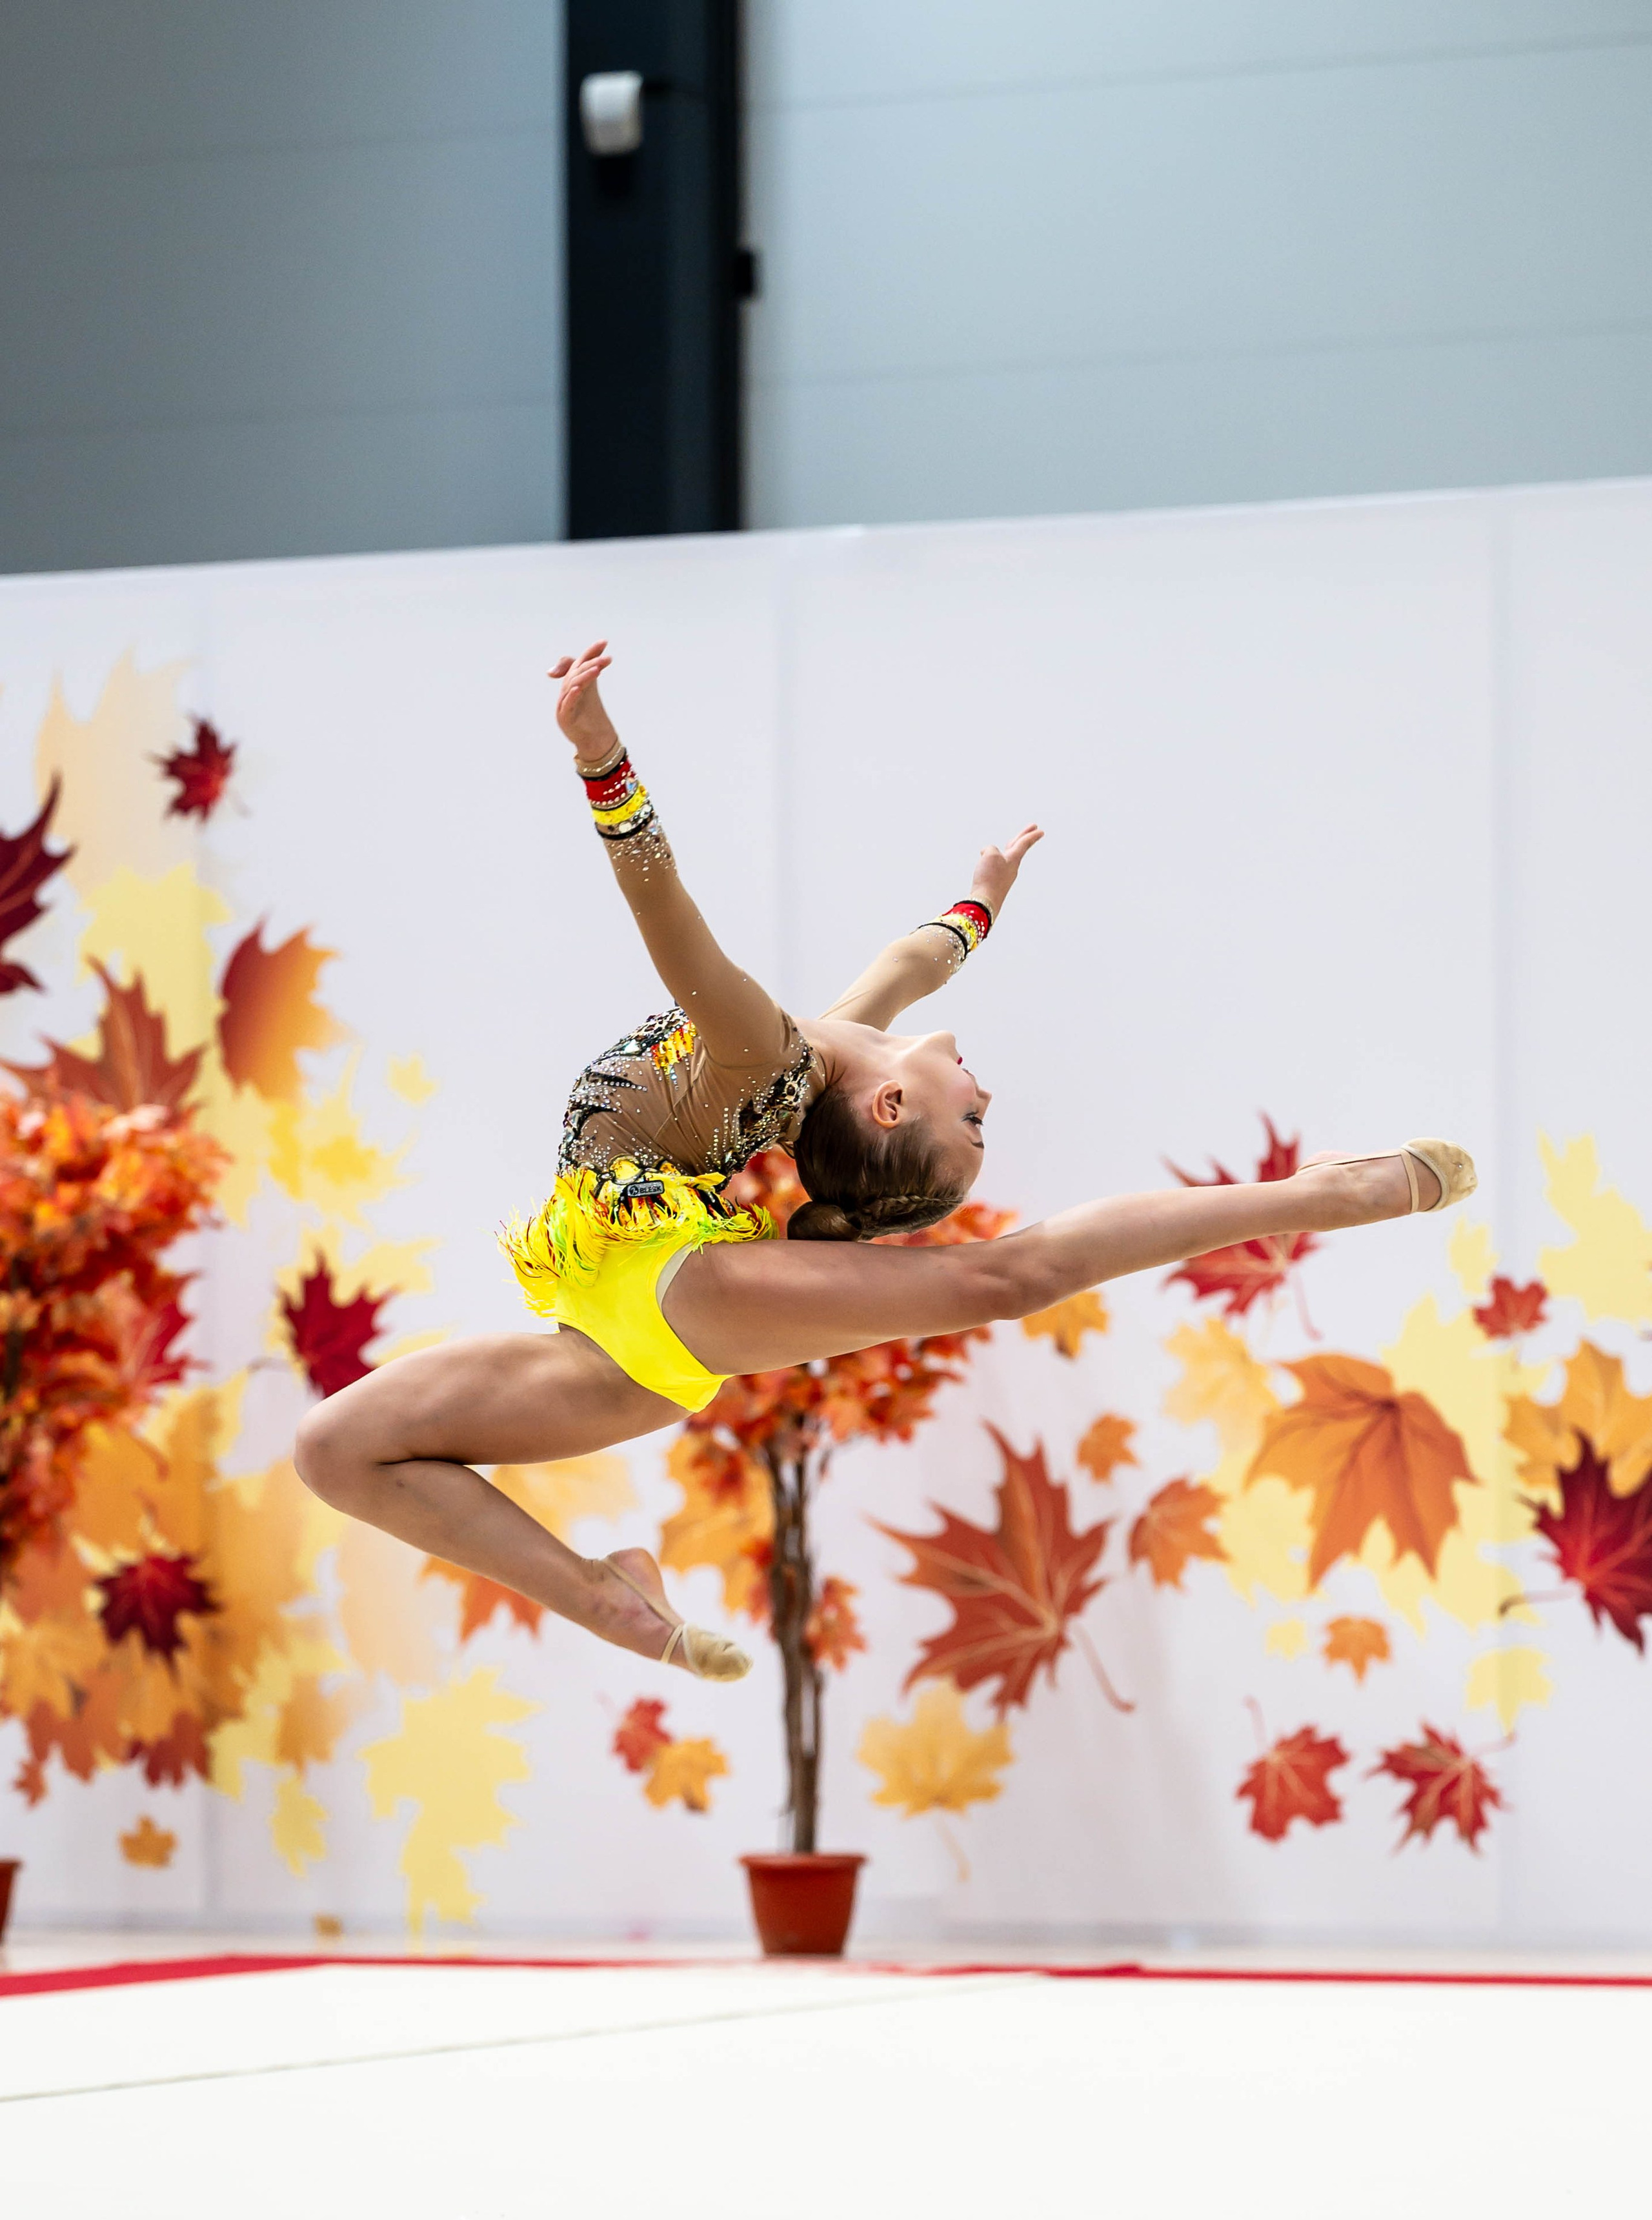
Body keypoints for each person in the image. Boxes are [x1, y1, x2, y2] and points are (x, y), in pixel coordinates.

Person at [295, 641, 1475, 1681]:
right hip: (602, 1328)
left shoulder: (760, 1050)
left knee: (997, 1281)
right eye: (982, 1123)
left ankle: (1331, 1190)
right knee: (334, 1449)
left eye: (971, 1123)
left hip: (664, 1288)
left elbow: (667, 916)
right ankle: (606, 1593)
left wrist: (600, 756)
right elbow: (909, 971)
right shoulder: (831, 1043)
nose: (988, 1098)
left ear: (896, 1100)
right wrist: (979, 905)